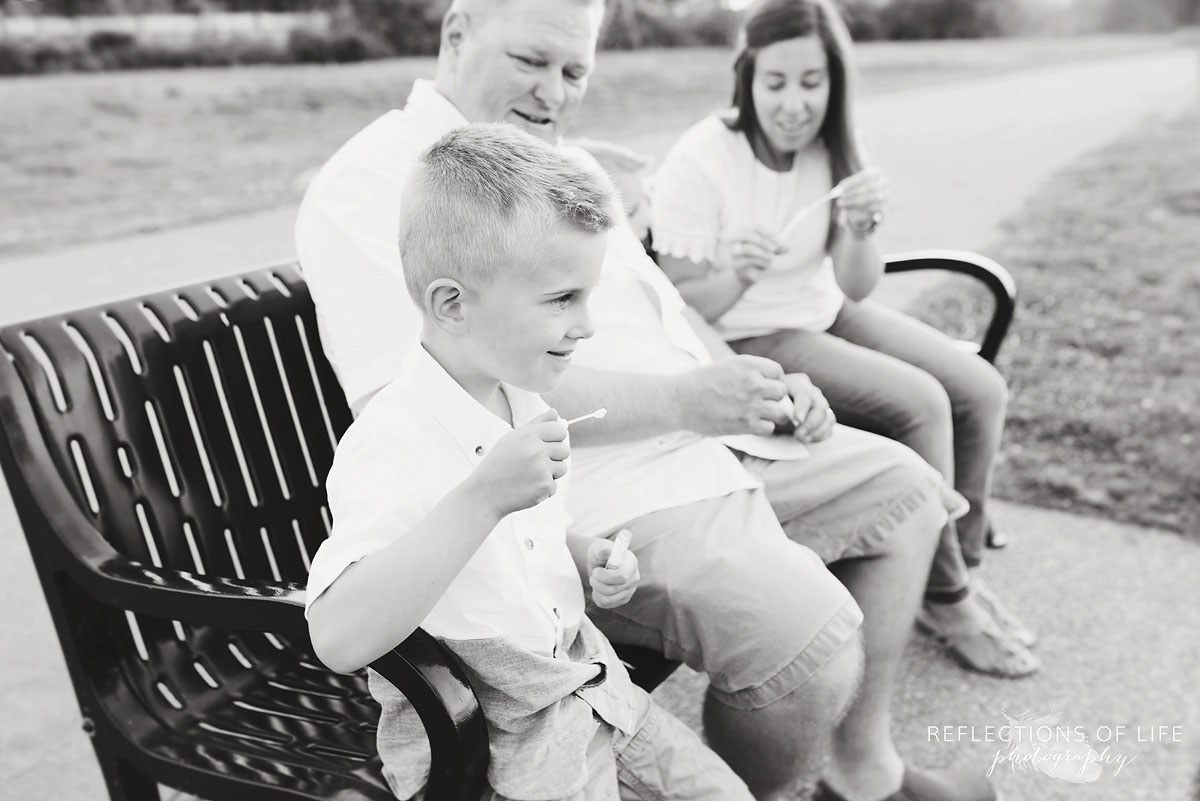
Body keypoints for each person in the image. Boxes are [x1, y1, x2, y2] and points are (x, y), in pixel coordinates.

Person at [296, 0, 999, 798]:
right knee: (809, 637)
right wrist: (690, 402)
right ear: (458, 33)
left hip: (690, 444)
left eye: (575, 72)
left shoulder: (558, 166)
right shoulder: (378, 182)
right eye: (532, 62)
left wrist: (753, 383)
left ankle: (861, 767)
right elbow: (442, 407)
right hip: (605, 481)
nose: (555, 93)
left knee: (908, 491)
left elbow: (665, 304)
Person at [305, 123, 756, 800]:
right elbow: (339, 636)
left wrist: (586, 554)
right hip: (490, 735)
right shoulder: (393, 441)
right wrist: (482, 495)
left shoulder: (521, 396)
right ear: (452, 303)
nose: (588, 323)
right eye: (561, 300)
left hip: (581, 686)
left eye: (586, 295)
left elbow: (522, 545)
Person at [649, 0, 1038, 679]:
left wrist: (862, 229)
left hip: (824, 310)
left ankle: (956, 571)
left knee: (980, 389)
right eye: (776, 82)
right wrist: (736, 276)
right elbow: (679, 310)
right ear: (747, 79)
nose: (794, 103)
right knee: (922, 402)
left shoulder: (836, 145)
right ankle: (950, 601)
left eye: (812, 81)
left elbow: (857, 285)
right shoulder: (702, 158)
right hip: (747, 333)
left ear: (835, 81)